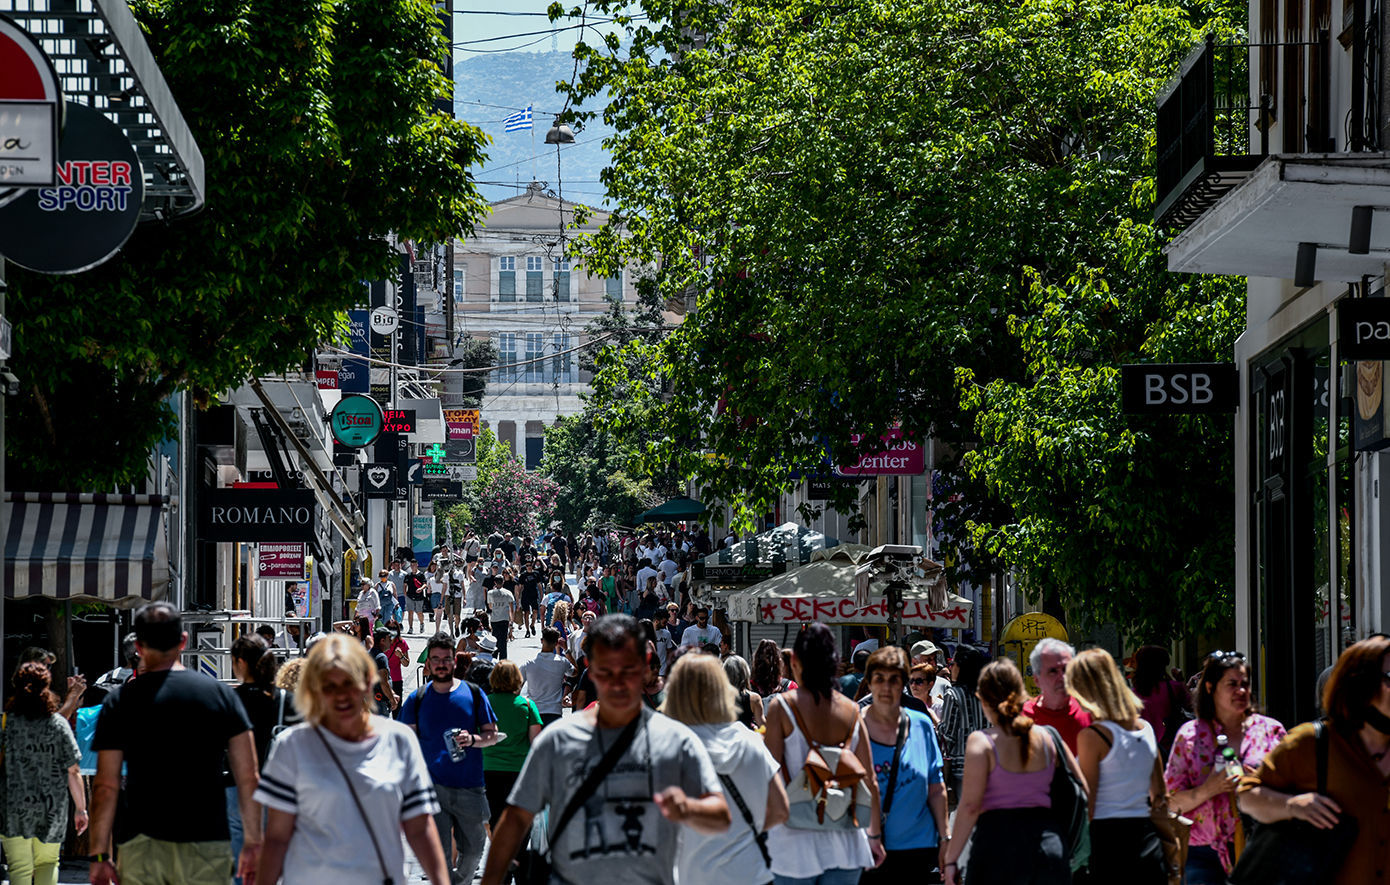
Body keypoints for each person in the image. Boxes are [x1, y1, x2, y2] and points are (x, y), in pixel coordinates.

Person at [480, 614, 730, 885]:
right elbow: (516, 818)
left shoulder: (676, 740)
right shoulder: (558, 741)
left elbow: (720, 814)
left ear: (645, 665)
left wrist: (687, 808)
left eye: (627, 669)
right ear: (590, 670)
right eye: (606, 670)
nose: (618, 682)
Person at [253, 633, 450, 885]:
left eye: (350, 682)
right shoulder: (291, 746)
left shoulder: (399, 741)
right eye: (329, 686)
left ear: (367, 683)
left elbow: (420, 828)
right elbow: (277, 837)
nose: (341, 695)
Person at [89, 602, 262, 885]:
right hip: (207, 842)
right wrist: (253, 841)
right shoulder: (220, 695)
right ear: (183, 640)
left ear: (139, 647)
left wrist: (99, 855)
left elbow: (106, 785)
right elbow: (248, 776)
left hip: (142, 844)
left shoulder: (120, 701)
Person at [1238, 634, 1390, 885]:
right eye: (1389, 677)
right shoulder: (1312, 743)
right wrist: (1291, 805)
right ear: (1361, 685)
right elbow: (1247, 797)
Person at [941, 658, 1084, 885]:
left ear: (983, 699)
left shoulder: (981, 742)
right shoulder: (1048, 737)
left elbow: (970, 807)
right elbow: (1082, 790)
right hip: (1049, 848)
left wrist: (951, 860)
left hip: (996, 851)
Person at [762, 622, 884, 885]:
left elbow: (769, 773)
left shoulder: (782, 708)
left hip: (793, 844)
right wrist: (874, 837)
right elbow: (869, 780)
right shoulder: (852, 711)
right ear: (834, 663)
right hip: (847, 843)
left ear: (794, 661)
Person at [663, 654, 790, 885]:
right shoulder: (751, 741)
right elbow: (780, 810)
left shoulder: (669, 749)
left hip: (691, 876)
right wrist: (742, 832)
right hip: (750, 873)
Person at [1164, 650, 1286, 884]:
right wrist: (1209, 788)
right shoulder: (1190, 736)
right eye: (1232, 684)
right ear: (1210, 688)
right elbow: (1171, 802)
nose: (1241, 691)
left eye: (1245, 684)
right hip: (1203, 854)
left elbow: (1294, 788)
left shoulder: (1271, 731)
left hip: (1261, 846)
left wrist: (1262, 782)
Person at [400, 632, 500, 885]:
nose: (441, 664)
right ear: (428, 663)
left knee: (475, 849)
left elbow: (491, 734)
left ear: (454, 662)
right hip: (432, 788)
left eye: (446, 659)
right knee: (440, 855)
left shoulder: (474, 694)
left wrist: (473, 739)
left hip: (471, 786)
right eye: (436, 659)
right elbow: (405, 743)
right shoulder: (416, 699)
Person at [1066, 648, 1166, 884]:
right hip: (1148, 841)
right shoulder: (1145, 729)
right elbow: (1160, 795)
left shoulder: (1092, 736)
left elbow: (1089, 805)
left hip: (1106, 843)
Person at [859, 648, 948, 885]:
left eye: (894, 679)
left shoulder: (921, 724)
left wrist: (945, 838)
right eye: (879, 679)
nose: (886, 687)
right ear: (869, 683)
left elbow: (936, 787)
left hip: (918, 847)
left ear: (904, 683)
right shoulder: (854, 727)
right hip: (867, 847)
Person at [0, 662, 86, 885]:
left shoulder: (7, 723)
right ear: (46, 686)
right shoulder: (58, 725)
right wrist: (81, 809)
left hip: (13, 807)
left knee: (19, 866)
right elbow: (73, 770)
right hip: (51, 808)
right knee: (48, 863)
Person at [227, 635, 301, 884]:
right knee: (276, 860)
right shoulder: (286, 700)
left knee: (241, 866)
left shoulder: (230, 700)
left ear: (241, 663)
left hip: (236, 789)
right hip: (278, 790)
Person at [481, 660, 542, 831]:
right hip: (519, 772)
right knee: (518, 822)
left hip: (488, 770)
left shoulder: (484, 703)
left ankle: (498, 845)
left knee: (493, 819)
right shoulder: (527, 705)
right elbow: (537, 743)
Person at [936, 644, 988, 803]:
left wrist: (937, 724)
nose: (950, 668)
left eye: (952, 663)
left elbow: (948, 735)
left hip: (962, 766)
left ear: (961, 667)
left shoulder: (953, 694)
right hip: (987, 762)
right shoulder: (987, 692)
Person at [1021, 638, 1092, 753]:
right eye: (1053, 671)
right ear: (1036, 680)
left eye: (1066, 669)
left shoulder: (1090, 713)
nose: (1063, 677)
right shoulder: (1022, 718)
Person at [1133, 645, 1191, 759]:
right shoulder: (1173, 687)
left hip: (1142, 749)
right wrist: (1181, 680)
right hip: (1171, 747)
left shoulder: (1132, 694)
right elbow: (1192, 705)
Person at [724, 655, 765, 729]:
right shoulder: (754, 699)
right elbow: (762, 726)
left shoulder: (717, 697)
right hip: (745, 735)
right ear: (745, 673)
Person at [370, 627, 400, 717]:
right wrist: (392, 700)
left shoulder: (369, 654)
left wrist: (392, 693)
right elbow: (383, 682)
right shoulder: (381, 657)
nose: (391, 641)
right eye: (389, 638)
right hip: (379, 703)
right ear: (383, 640)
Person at [487, 576, 516, 660]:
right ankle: (503, 660)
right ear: (503, 582)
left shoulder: (490, 593)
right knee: (503, 641)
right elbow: (511, 609)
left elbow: (490, 607)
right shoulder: (508, 593)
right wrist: (511, 621)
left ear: (495, 582)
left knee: (495, 639)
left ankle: (494, 658)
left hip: (494, 619)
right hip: (504, 619)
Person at [519, 562, 543, 638]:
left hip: (534, 595)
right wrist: (518, 597)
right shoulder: (523, 575)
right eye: (527, 565)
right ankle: (527, 630)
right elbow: (520, 586)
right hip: (525, 595)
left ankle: (532, 625)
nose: (529, 567)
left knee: (535, 611)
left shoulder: (536, 574)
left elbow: (539, 585)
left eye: (530, 565)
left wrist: (541, 596)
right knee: (526, 613)